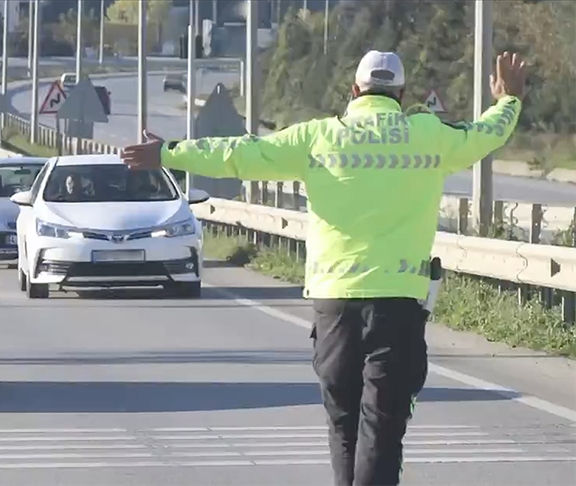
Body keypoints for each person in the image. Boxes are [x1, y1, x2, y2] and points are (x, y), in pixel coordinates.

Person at [120, 50, 526, 485]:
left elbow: (239, 154)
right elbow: (485, 133)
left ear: (354, 91)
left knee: (343, 424)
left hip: (334, 305)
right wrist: (510, 99)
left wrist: (169, 152)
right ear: (402, 94)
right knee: (382, 429)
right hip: (399, 304)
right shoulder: (428, 134)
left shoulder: (317, 137)